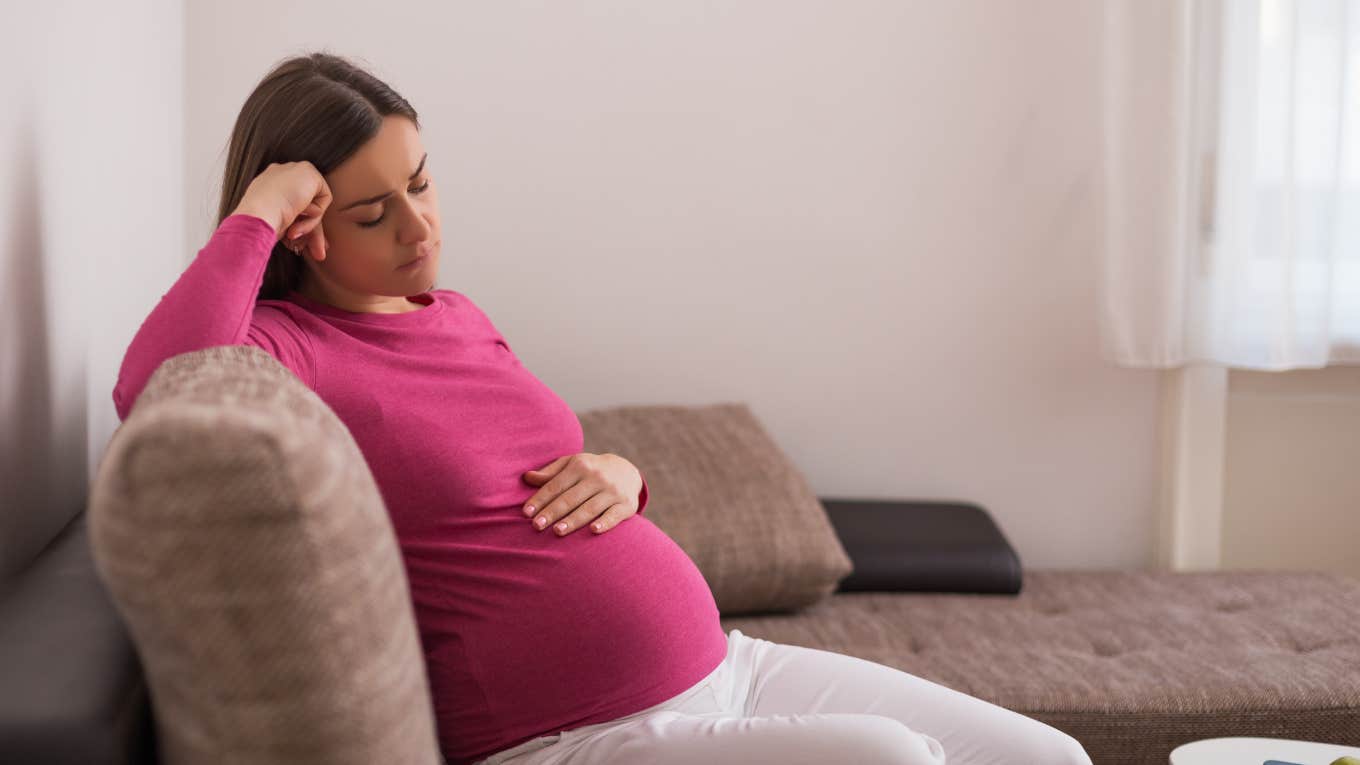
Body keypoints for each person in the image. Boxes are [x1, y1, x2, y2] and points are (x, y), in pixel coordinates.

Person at [112, 51, 1093, 765]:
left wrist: (625, 473)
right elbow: (152, 388)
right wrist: (259, 206)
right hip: (569, 736)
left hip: (725, 666)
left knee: (1049, 759)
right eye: (374, 212)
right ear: (307, 227)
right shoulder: (285, 347)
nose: (420, 227)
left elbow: (531, 469)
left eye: (421, 184)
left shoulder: (454, 316)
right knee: (892, 761)